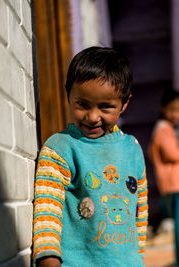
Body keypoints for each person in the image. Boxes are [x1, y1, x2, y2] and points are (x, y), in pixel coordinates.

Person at [32, 47, 148, 267]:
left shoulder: (132, 149)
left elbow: (139, 212)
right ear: (68, 95)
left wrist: (138, 258)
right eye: (83, 104)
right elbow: (47, 211)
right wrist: (48, 258)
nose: (93, 117)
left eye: (105, 107)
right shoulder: (61, 148)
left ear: (124, 103)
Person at [149, 89, 179, 267]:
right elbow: (170, 153)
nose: (176, 114)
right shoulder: (163, 129)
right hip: (174, 185)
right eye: (172, 109)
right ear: (163, 108)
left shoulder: (173, 129)